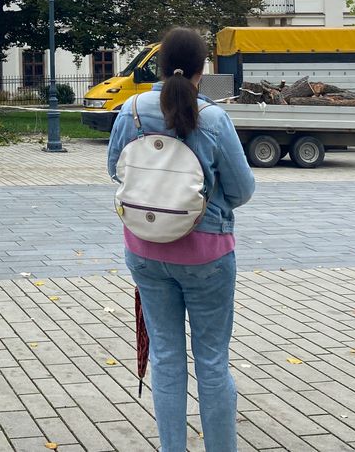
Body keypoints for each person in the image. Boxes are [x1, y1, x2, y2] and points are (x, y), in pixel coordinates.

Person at [107, 27, 256, 452]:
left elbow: (115, 170)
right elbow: (242, 190)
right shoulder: (213, 118)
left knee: (167, 359)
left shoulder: (132, 110)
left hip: (145, 250)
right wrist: (209, 202)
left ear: (157, 63)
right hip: (208, 253)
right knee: (211, 362)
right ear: (202, 69)